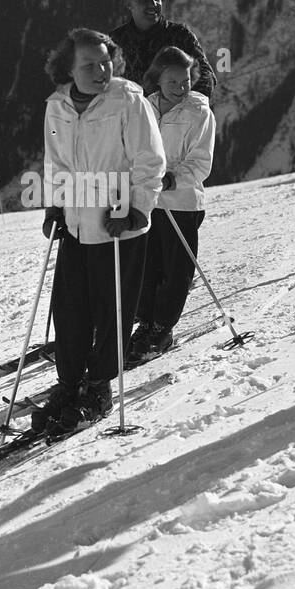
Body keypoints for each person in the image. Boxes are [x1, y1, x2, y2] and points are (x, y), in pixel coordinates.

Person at [32, 28, 166, 436]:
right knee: (70, 310)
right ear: (68, 69)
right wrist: (55, 204)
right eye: (88, 64)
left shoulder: (128, 100)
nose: (100, 70)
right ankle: (68, 384)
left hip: (116, 226)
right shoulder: (56, 107)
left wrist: (135, 211)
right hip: (76, 224)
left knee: (112, 311)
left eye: (106, 61)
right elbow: (56, 164)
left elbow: (150, 161)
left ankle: (100, 386)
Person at [130, 46, 215, 362]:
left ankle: (162, 328)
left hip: (181, 203)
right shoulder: (146, 108)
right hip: (148, 201)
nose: (181, 88)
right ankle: (147, 323)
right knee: (147, 266)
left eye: (186, 81)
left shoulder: (199, 112)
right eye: (173, 82)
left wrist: (171, 178)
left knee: (175, 270)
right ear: (158, 79)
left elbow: (201, 161)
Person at [110, 0, 218, 98]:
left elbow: (206, 76)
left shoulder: (180, 36)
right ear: (129, 3)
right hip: (130, 115)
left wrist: (186, 107)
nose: (153, 4)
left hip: (176, 114)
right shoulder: (115, 41)